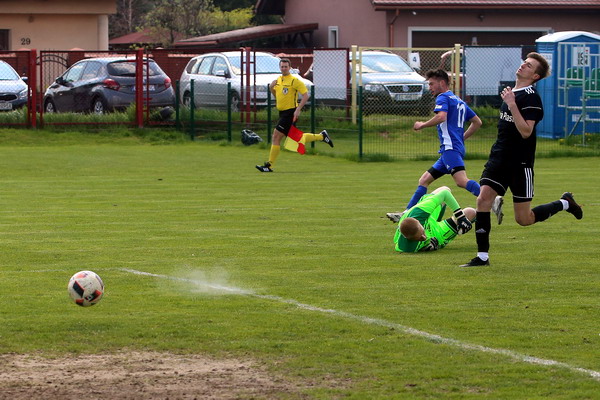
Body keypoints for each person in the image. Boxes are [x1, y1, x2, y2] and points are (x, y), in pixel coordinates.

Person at [460, 52, 583, 267]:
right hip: (499, 159)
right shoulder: (512, 93)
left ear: (535, 76)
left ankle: (565, 203)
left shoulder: (530, 97)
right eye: (524, 62)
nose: (523, 66)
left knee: (524, 219)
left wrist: (512, 104)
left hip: (520, 164)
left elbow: (526, 131)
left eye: (529, 66)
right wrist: (510, 102)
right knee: (483, 200)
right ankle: (482, 257)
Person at [386, 69, 483, 223]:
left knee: (461, 181)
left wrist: (422, 125)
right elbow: (477, 122)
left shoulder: (443, 97)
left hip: (450, 149)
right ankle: (406, 214)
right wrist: (461, 138)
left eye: (431, 84)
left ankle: (492, 199)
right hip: (450, 150)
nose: (429, 87)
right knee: (424, 180)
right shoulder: (458, 101)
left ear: (442, 83)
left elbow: (441, 116)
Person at [255, 58, 333, 172]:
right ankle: (322, 136)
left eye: (286, 67)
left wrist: (298, 109)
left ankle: (269, 166)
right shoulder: (278, 80)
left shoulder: (294, 80)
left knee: (276, 136)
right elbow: (278, 96)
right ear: (279, 67)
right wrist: (271, 88)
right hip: (282, 113)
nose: (284, 68)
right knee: (297, 139)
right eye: (282, 66)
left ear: (290, 68)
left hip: (290, 113)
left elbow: (306, 95)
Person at [394, 186, 475, 253]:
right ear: (407, 238)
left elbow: (445, 194)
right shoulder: (406, 247)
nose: (424, 237)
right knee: (470, 212)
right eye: (419, 238)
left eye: (422, 232)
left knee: (445, 189)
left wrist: (461, 217)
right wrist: (430, 246)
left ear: (419, 222)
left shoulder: (421, 212)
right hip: (435, 234)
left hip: (429, 219)